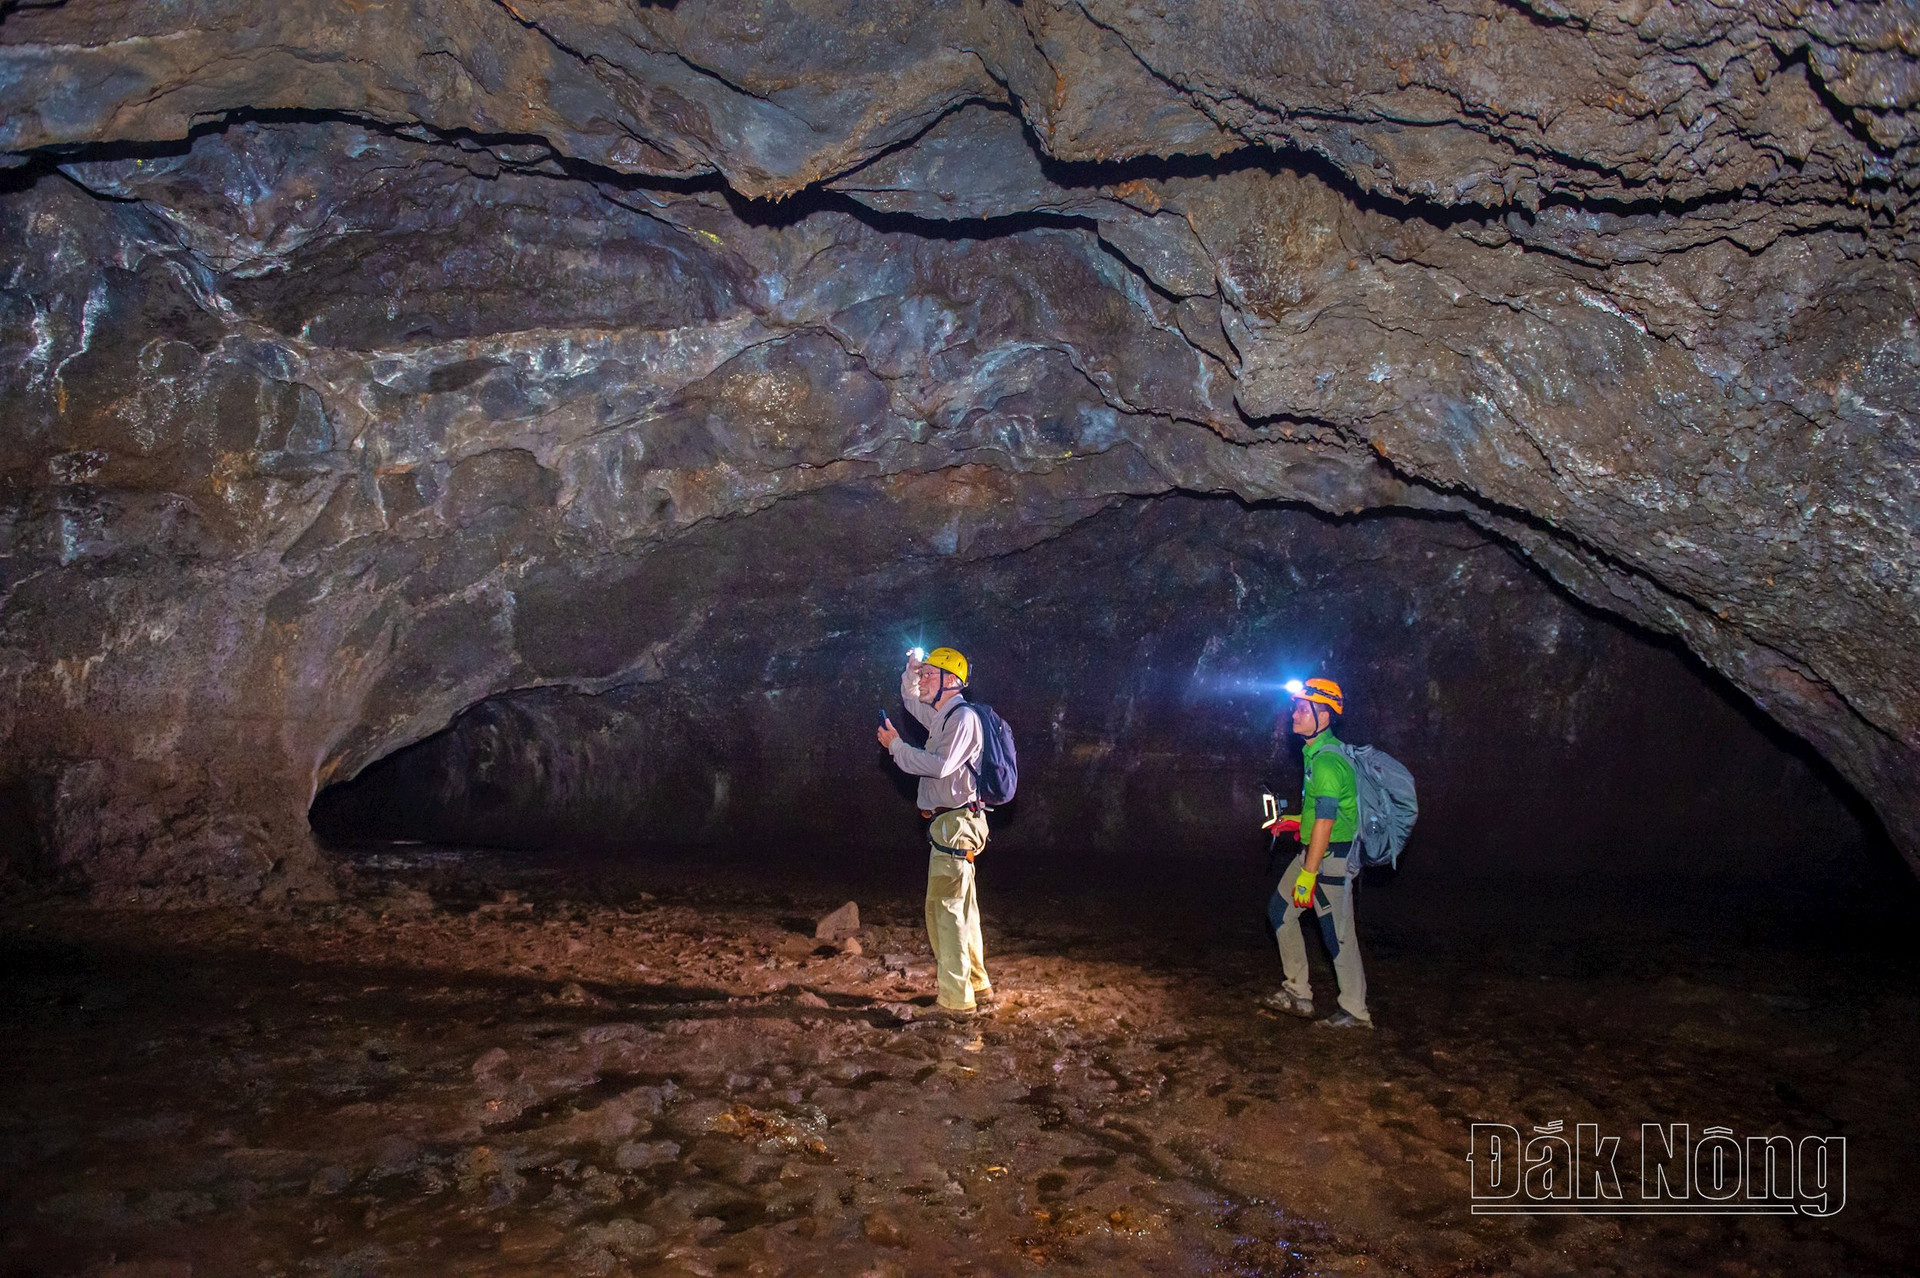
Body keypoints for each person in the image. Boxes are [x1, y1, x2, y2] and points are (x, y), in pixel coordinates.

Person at [877, 646, 992, 1017]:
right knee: (962, 909)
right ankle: (977, 985)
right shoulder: (945, 716)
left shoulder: (962, 720)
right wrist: (910, 671)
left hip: (957, 824)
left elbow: (940, 767)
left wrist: (896, 747)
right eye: (924, 674)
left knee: (945, 911)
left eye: (930, 674)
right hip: (952, 823)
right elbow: (912, 701)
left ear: (951, 681)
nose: (924, 680)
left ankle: (956, 1002)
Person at [1261, 677, 1372, 1029]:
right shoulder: (1318, 754)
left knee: (1337, 934)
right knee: (1280, 911)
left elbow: (1326, 822)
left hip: (1329, 858)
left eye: (1301, 708)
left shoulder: (1327, 762)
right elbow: (1319, 814)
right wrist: (1294, 823)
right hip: (1315, 850)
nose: (1294, 713)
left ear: (1322, 716)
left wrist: (1308, 875)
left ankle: (1356, 1012)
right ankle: (1298, 993)